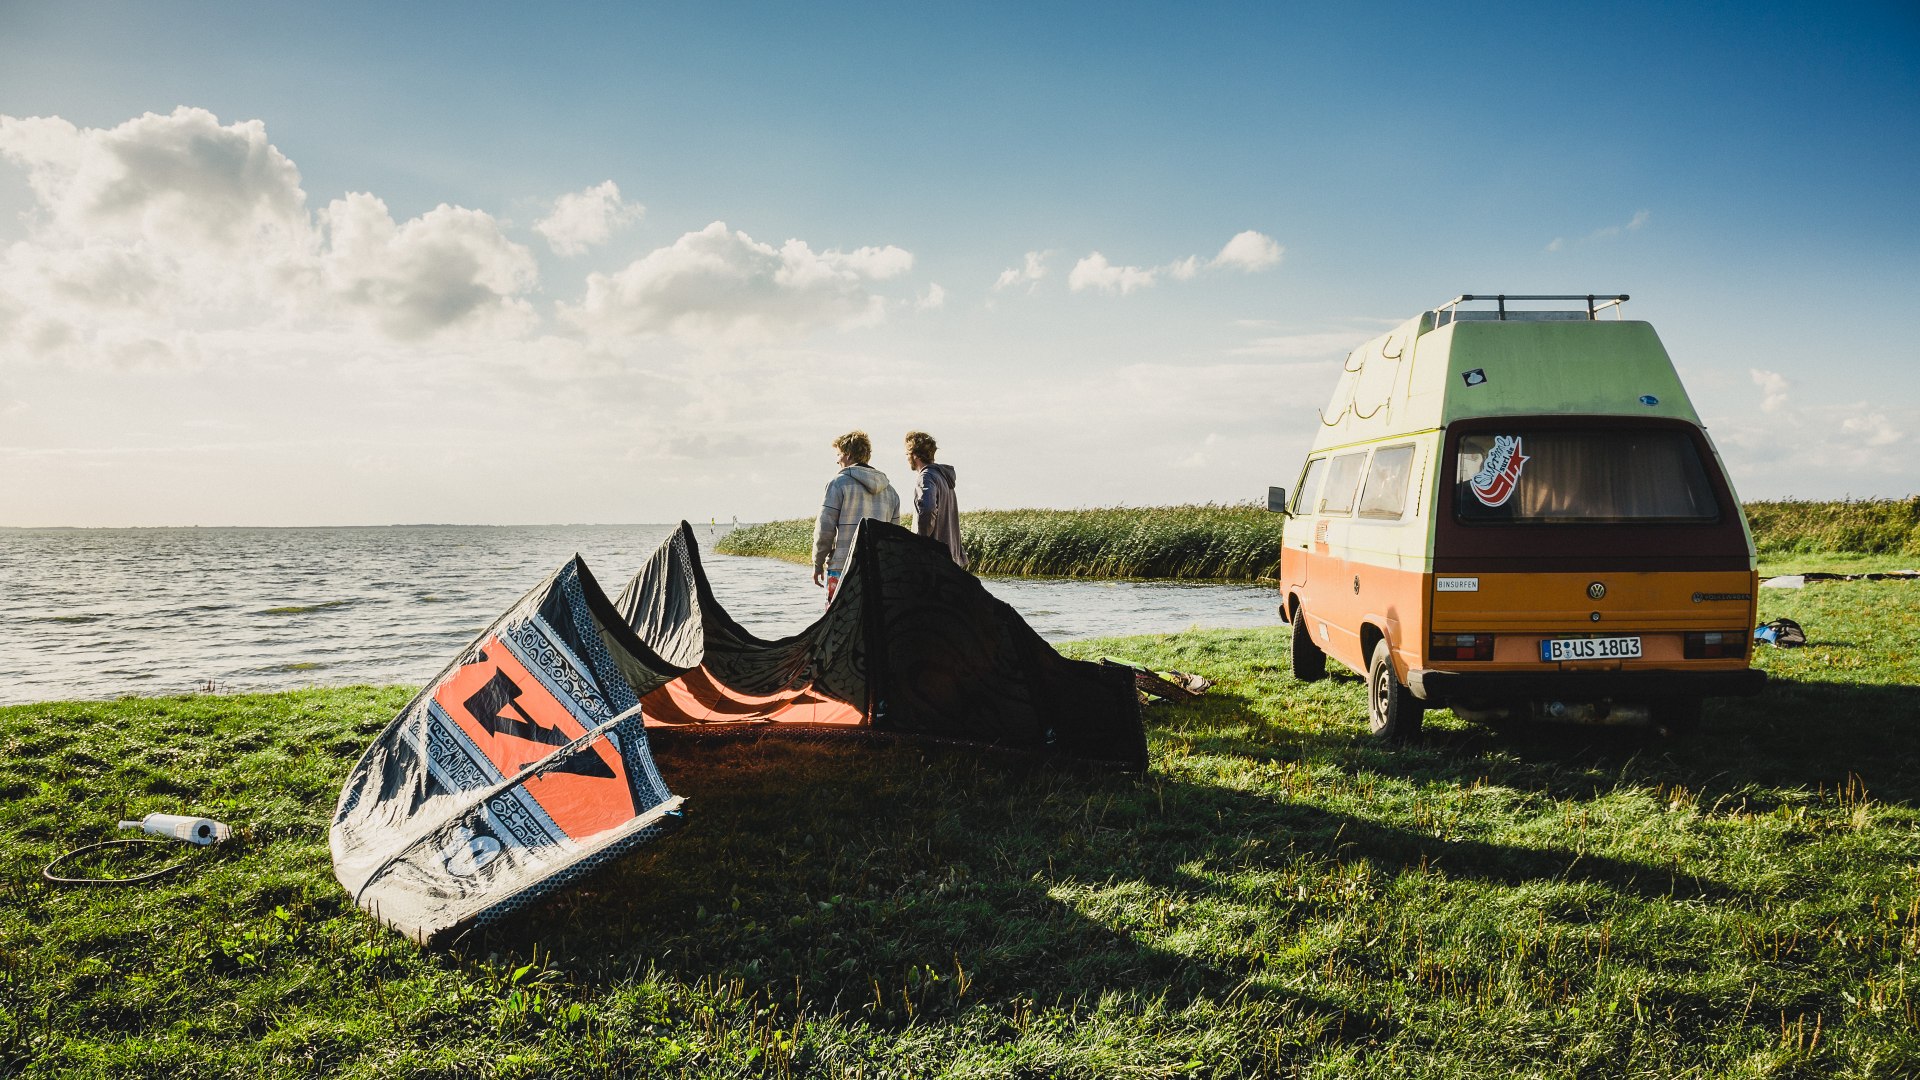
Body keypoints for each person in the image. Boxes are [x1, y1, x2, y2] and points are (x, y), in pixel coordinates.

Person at [812, 431, 901, 603]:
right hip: (877, 570)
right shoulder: (891, 492)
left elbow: (825, 528)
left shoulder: (838, 484)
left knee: (839, 623)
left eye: (838, 454)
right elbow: (893, 537)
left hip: (842, 567)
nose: (837, 460)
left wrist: (818, 563)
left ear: (848, 454)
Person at [904, 430, 967, 568]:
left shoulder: (926, 477)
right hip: (950, 560)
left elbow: (927, 509)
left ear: (914, 455)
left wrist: (921, 542)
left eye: (907, 454)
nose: (907, 458)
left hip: (933, 560)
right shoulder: (943, 477)